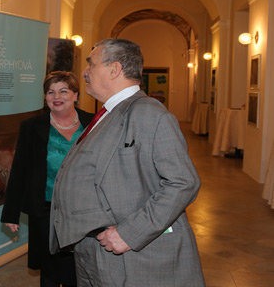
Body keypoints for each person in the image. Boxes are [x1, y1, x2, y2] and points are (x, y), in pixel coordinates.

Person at [49, 39, 205, 286]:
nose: (85, 72)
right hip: (94, 248)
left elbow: (183, 182)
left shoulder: (149, 114)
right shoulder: (108, 113)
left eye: (91, 64)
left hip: (126, 253)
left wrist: (129, 234)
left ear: (114, 69)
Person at [1, 71, 94, 287]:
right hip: (45, 211)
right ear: (45, 97)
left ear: (76, 95)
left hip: (83, 211)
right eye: (50, 92)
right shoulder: (31, 127)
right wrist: (11, 213)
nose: (56, 96)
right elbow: (19, 171)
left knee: (78, 269)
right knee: (50, 271)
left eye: (63, 91)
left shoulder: (93, 123)